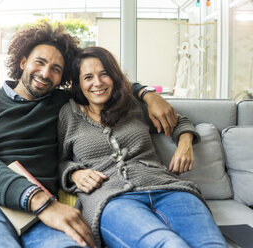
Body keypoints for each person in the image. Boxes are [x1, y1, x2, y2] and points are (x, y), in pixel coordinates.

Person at [0, 22, 179, 248]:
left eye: (56, 69)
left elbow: (108, 84)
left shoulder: (64, 104)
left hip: (41, 211)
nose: (45, 73)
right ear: (23, 61)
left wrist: (148, 94)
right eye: (39, 62)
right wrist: (39, 201)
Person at [58, 46, 228, 248]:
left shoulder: (133, 106)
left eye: (104, 74)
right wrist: (73, 173)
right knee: (170, 245)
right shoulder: (68, 115)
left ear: (114, 77)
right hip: (112, 198)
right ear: (78, 83)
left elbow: (178, 121)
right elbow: (57, 160)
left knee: (212, 244)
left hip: (168, 189)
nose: (97, 83)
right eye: (88, 77)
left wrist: (185, 142)